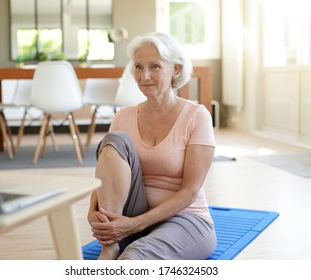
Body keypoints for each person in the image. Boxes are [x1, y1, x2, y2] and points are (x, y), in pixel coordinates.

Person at [87, 32, 216, 260]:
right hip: (133, 215)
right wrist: (93, 213)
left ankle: (128, 246)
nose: (144, 76)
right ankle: (110, 248)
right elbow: (105, 176)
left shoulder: (197, 116)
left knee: (133, 259)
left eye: (155, 67)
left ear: (175, 69)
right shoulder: (123, 117)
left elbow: (190, 193)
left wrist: (134, 225)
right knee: (115, 141)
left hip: (185, 219)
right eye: (138, 67)